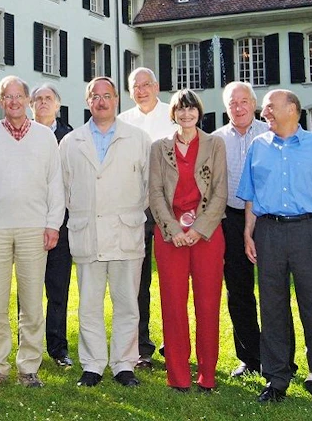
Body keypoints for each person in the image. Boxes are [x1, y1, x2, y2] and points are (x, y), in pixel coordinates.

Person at [237, 89, 312, 412]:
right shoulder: (257, 148)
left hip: (308, 233)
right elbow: (250, 197)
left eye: (271, 107)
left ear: (293, 109)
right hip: (268, 232)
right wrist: (248, 232)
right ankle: (276, 380)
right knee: (272, 309)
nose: (265, 112)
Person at [0, 75, 64, 389]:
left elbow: (55, 183)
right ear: (0, 102)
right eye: (7, 97)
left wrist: (53, 224)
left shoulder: (45, 137)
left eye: (19, 96)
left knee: (33, 302)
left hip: (34, 228)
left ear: (28, 100)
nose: (14, 102)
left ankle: (29, 368)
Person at [59, 77, 151, 388]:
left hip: (126, 232)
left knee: (127, 303)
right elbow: (64, 189)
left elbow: (149, 187)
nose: (101, 101)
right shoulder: (71, 142)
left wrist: (129, 211)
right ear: (87, 101)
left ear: (116, 100)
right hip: (88, 233)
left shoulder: (138, 138)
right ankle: (93, 365)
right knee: (89, 304)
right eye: (95, 96)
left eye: (107, 96)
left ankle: (125, 364)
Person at [147, 89, 227, 391]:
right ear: (173, 114)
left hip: (206, 235)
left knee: (208, 303)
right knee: (173, 303)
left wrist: (198, 229)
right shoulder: (159, 148)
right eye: (180, 109)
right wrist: (174, 230)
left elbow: (220, 191)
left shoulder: (214, 144)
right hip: (170, 237)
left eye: (191, 109)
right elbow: (155, 193)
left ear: (199, 112)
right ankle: (178, 374)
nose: (186, 114)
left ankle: (207, 373)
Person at [117, 67, 177, 369]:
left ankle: (174, 344)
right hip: (135, 208)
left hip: (168, 207)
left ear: (157, 86)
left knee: (172, 278)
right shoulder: (122, 121)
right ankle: (141, 346)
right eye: (135, 86)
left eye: (146, 84)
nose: (141, 90)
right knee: (137, 281)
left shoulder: (173, 115)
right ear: (130, 92)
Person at [211, 82, 270, 377]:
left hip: (269, 218)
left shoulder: (270, 135)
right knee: (239, 290)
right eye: (232, 103)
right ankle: (249, 358)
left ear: (254, 104)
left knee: (275, 292)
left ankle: (279, 358)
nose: (238, 107)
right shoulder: (216, 140)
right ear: (226, 108)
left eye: (244, 101)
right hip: (232, 219)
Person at [29, 84, 75, 368]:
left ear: (58, 104)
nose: (43, 103)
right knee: (29, 290)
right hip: (28, 223)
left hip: (62, 225)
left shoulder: (71, 138)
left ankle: (58, 348)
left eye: (49, 99)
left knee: (58, 290)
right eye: (38, 99)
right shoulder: (21, 135)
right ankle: (29, 346)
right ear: (31, 105)